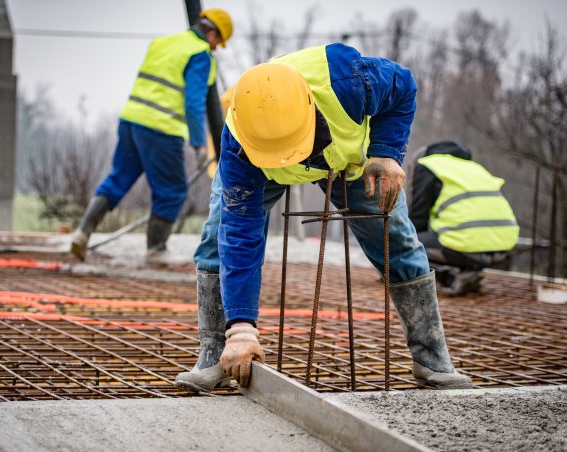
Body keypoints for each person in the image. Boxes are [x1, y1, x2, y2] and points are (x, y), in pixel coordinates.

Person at [175, 43, 473, 393]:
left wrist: (386, 153)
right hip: (260, 171)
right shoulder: (239, 144)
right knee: (216, 237)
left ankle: (432, 358)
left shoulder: (350, 81)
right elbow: (239, 238)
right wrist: (240, 328)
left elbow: (404, 86)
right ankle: (215, 354)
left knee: (398, 241)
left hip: (347, 162)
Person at [70, 9, 233, 263]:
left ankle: (82, 233)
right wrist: (199, 146)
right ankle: (156, 250)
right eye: (217, 43)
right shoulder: (199, 55)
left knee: (119, 177)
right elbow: (193, 103)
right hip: (162, 130)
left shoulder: (164, 43)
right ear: (211, 33)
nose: (215, 48)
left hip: (131, 121)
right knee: (173, 191)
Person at [409, 141, 519, 296]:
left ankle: (450, 277)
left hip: (465, 244)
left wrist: (400, 259)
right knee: (451, 240)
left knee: (402, 243)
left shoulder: (428, 165)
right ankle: (470, 271)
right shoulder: (475, 168)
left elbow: (418, 219)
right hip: (503, 247)